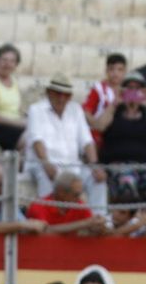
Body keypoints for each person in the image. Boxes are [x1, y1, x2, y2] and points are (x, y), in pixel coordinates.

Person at [27, 74, 103, 204]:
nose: (62, 98)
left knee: (98, 180)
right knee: (47, 176)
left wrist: (95, 165)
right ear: (49, 92)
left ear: (70, 96)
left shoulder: (76, 109)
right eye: (58, 94)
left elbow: (87, 141)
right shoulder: (36, 109)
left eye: (66, 95)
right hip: (45, 163)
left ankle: (99, 216)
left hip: (73, 165)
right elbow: (37, 140)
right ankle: (49, 215)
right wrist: (46, 163)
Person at [94, 75, 146, 207]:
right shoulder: (114, 112)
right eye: (129, 88)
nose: (133, 91)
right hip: (117, 164)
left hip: (142, 165)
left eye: (137, 88)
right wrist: (115, 103)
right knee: (128, 180)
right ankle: (132, 216)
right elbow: (99, 126)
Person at [25, 172, 105, 237]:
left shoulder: (78, 203)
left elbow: (91, 225)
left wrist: (97, 227)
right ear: (61, 192)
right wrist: (84, 223)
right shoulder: (38, 206)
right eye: (76, 195)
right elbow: (44, 231)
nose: (79, 198)